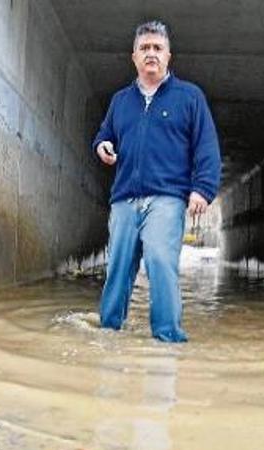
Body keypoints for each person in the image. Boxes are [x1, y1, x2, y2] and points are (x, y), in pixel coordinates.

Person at [92, 20, 222, 343]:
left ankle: (168, 340)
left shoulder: (190, 97)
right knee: (118, 271)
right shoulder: (120, 101)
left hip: (167, 197)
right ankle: (108, 335)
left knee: (161, 262)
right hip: (123, 199)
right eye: (145, 48)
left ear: (168, 56)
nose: (151, 53)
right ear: (134, 57)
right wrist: (102, 146)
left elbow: (207, 147)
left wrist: (202, 189)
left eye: (157, 48)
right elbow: (104, 135)